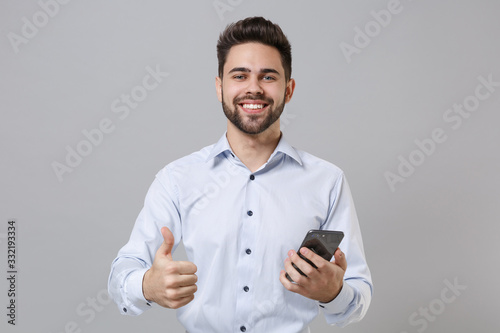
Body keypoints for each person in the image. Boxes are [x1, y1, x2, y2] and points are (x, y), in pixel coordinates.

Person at [108, 16, 373, 333]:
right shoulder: (177, 179)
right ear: (220, 87)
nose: (253, 88)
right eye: (240, 75)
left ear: (288, 90)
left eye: (268, 77)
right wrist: (147, 286)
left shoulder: (327, 182)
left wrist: (334, 293)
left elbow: (358, 296)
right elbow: (121, 276)